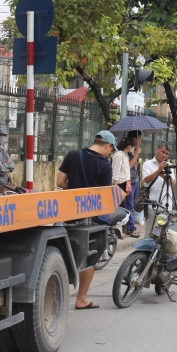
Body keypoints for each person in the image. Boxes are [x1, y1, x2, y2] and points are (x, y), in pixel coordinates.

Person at [57, 130, 116, 310]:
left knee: (67, 253)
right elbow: (105, 196)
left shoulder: (73, 155)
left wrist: (77, 191)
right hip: (91, 216)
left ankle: (58, 295)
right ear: (107, 145)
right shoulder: (105, 165)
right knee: (88, 257)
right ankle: (81, 298)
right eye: (111, 150)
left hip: (70, 212)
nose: (109, 153)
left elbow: (60, 182)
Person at [142, 141, 177, 236]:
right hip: (153, 204)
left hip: (167, 204)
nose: (164, 155)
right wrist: (158, 170)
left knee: (165, 231)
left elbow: (173, 182)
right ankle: (147, 250)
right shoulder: (147, 164)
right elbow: (146, 180)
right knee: (150, 230)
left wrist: (164, 175)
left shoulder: (169, 165)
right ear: (157, 149)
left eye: (167, 153)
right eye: (163, 152)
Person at [125, 130, 143, 236]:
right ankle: (131, 228)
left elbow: (135, 166)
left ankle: (130, 225)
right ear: (134, 139)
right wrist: (136, 154)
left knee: (133, 205)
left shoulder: (133, 150)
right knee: (129, 204)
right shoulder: (126, 151)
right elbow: (128, 167)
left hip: (135, 180)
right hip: (129, 182)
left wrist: (136, 152)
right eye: (139, 138)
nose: (141, 140)